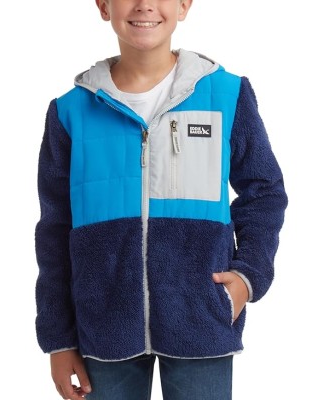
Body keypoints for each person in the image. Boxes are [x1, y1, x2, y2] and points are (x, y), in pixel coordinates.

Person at [34, 0, 288, 399]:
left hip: (200, 317)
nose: (144, 5)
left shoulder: (225, 94)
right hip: (102, 325)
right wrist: (59, 339)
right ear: (103, 6)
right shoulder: (71, 111)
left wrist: (247, 277)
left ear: (184, 5)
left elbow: (264, 191)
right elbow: (54, 229)